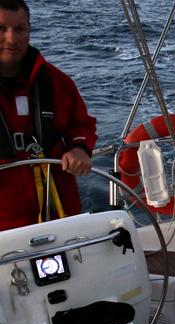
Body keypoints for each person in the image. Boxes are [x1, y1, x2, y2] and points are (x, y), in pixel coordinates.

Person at [0, 0, 97, 231]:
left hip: (58, 210)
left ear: (30, 31)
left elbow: (82, 125)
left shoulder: (56, 82)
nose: (11, 39)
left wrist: (79, 149)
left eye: (20, 29)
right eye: (1, 29)